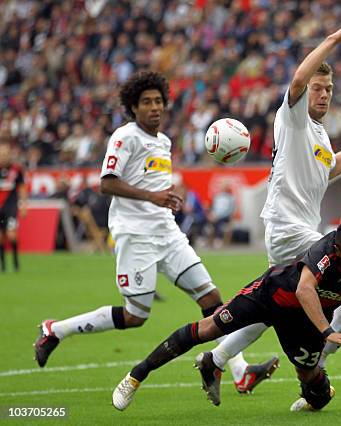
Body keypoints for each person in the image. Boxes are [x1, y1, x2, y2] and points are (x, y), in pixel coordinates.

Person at [33, 71, 278, 393]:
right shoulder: (125, 136)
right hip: (135, 235)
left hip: (167, 233)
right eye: (147, 102)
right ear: (133, 107)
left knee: (213, 299)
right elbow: (106, 182)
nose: (155, 107)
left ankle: (239, 371)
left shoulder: (163, 141)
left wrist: (164, 195)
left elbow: (151, 180)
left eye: (159, 101)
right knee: (136, 315)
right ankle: (56, 329)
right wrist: (153, 196)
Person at [203, 9, 341, 406]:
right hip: (290, 229)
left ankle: (217, 359)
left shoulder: (319, 135)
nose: (322, 94)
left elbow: (331, 167)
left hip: (300, 229)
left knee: (275, 308)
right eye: (318, 88)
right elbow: (297, 79)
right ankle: (317, 369)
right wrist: (333, 41)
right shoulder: (292, 119)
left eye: (328, 90)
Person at [112, 218, 341, 412]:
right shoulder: (324, 250)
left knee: (316, 390)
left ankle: (314, 392)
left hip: (303, 319)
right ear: (338, 248)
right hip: (270, 295)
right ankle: (136, 376)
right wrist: (328, 333)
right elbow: (304, 289)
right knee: (209, 328)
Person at [0, 142, 27, 272]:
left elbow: (22, 188)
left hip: (10, 207)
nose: (4, 156)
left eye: (6, 153)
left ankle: (16, 264)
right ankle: (3, 266)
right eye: (2, 154)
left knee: (11, 236)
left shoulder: (16, 170)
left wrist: (23, 205)